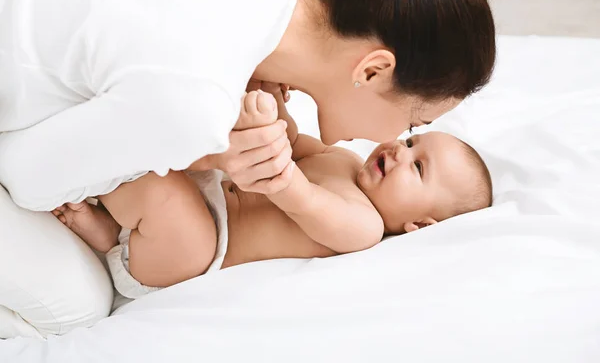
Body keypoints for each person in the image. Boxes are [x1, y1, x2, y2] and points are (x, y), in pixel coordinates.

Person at [0, 0, 495, 337]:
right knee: (78, 309)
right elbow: (21, 174)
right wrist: (206, 154)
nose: (398, 141)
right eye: (414, 124)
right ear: (372, 71)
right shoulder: (198, 104)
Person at [53, 87, 493, 298]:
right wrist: (270, 104)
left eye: (417, 167)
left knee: (176, 209)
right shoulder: (343, 161)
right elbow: (293, 139)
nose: (400, 150)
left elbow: (301, 198)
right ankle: (101, 162)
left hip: (196, 255)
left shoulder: (364, 226)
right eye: (412, 141)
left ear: (419, 226)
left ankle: (108, 234)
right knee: (180, 158)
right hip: (208, 191)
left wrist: (276, 166)